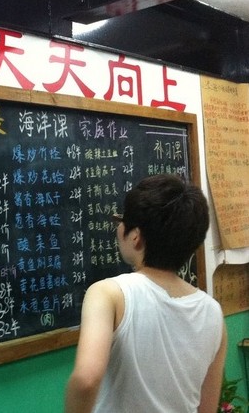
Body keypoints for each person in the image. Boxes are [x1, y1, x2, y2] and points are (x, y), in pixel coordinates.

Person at [64, 174, 227, 413]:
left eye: (121, 221)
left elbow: (86, 379)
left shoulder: (109, 294)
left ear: (136, 237)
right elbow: (207, 408)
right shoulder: (213, 312)